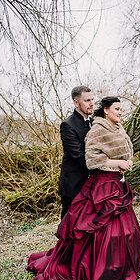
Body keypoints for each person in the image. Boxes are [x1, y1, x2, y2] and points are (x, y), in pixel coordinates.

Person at [28, 97, 140, 280]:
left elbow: (126, 153)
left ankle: (121, 268)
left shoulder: (119, 128)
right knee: (98, 230)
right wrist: (117, 163)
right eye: (117, 109)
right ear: (107, 110)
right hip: (102, 187)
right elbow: (92, 160)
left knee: (124, 230)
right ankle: (100, 271)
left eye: (121, 109)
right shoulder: (98, 130)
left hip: (117, 185)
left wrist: (125, 164)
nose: (120, 112)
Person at [58, 86, 95, 219]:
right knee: (69, 223)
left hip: (91, 184)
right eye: (87, 100)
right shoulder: (67, 125)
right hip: (73, 185)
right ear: (76, 103)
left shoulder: (94, 123)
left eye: (92, 99)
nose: (91, 103)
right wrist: (104, 163)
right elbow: (78, 155)